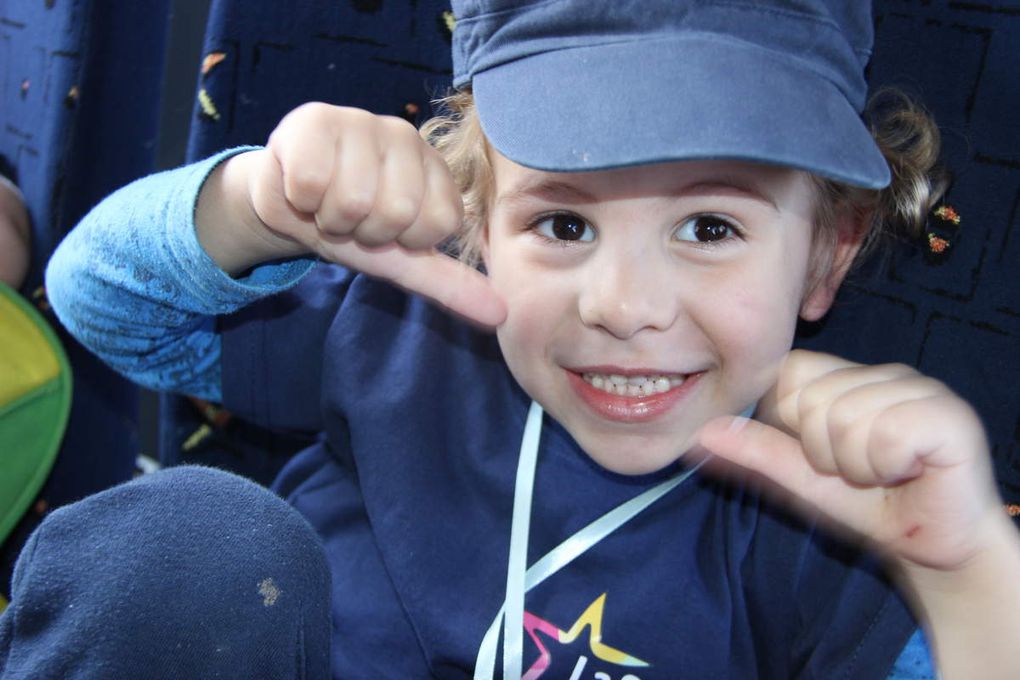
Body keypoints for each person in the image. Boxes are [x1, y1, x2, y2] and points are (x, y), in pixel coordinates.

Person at [13, 0, 1020, 677]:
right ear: (478, 219)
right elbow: (97, 303)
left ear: (825, 258)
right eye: (565, 223)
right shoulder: (408, 324)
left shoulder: (823, 514)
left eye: (710, 228)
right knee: (186, 545)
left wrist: (971, 572)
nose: (624, 304)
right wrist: (256, 205)